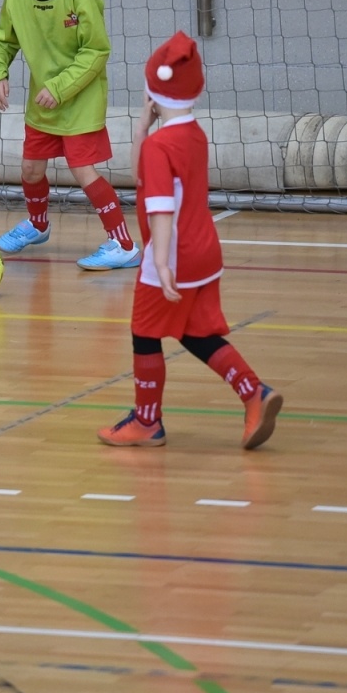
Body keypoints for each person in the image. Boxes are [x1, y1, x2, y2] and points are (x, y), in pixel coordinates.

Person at [96, 31, 285, 450]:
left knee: (144, 332)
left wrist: (160, 264)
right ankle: (254, 393)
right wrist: (143, 129)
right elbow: (143, 176)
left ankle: (147, 422)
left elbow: (160, 209)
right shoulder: (192, 134)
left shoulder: (161, 147)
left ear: (151, 92)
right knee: (193, 333)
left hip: (175, 254)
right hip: (205, 251)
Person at [0, 0, 140, 271]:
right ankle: (38, 225)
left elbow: (97, 51)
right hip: (43, 103)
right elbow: (4, 40)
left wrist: (59, 88)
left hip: (80, 99)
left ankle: (123, 245)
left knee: (84, 172)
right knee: (30, 170)